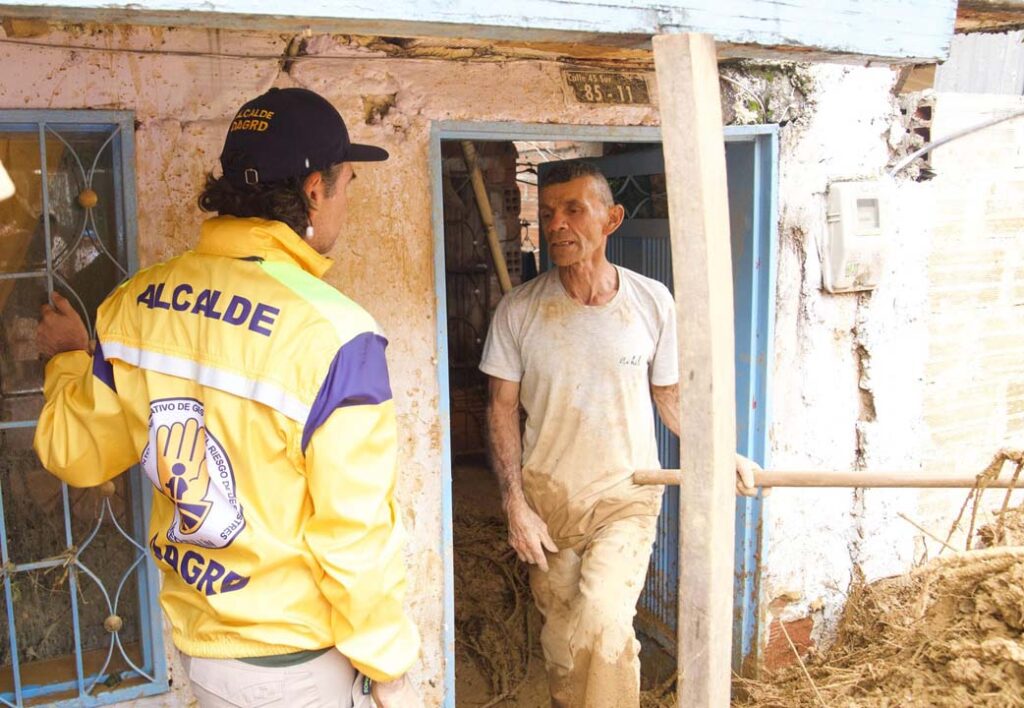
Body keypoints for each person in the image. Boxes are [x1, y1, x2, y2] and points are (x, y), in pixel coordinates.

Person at [34, 87, 422, 708]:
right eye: (348, 182)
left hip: (202, 650)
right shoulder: (339, 336)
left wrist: (67, 361)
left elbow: (75, 454)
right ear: (315, 191)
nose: (346, 200)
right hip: (298, 665)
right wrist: (390, 670)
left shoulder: (133, 305)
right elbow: (353, 535)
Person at [480, 161, 758, 708]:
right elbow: (500, 409)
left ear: (612, 219)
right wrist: (515, 504)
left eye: (573, 210)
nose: (556, 224)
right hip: (549, 502)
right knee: (562, 641)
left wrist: (717, 454)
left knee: (605, 624)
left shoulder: (652, 302)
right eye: (548, 212)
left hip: (625, 497)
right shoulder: (519, 311)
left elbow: (669, 396)